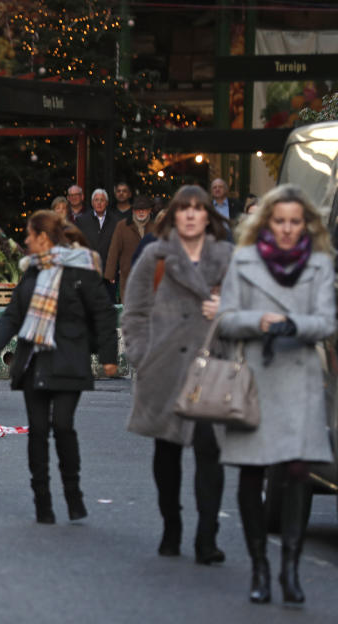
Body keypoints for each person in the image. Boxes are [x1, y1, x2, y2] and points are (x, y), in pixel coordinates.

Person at [217, 184, 335, 606]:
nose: (287, 229)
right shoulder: (244, 262)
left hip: (300, 381)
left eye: (295, 222)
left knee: (298, 473)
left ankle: (290, 567)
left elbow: (326, 322)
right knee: (253, 474)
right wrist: (260, 321)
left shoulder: (319, 265)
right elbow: (226, 321)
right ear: (267, 222)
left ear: (306, 225)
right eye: (280, 221)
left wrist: (292, 325)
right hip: (256, 382)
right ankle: (259, 568)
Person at [120, 184, 233, 564]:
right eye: (182, 208)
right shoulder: (156, 255)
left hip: (211, 367)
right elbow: (133, 313)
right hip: (164, 368)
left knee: (210, 451)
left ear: (207, 216)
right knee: (166, 452)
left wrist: (227, 311)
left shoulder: (228, 258)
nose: (189, 214)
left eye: (197, 208)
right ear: (173, 214)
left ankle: (207, 537)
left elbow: (250, 309)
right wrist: (142, 356)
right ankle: (172, 526)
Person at [0, 210, 118, 524]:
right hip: (34, 361)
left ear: (43, 237)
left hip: (69, 359)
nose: (26, 241)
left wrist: (109, 356)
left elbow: (103, 313)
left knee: (64, 426)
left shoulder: (80, 270)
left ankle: (73, 494)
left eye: (30, 235)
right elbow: (13, 315)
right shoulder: (31, 272)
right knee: (38, 431)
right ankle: (42, 500)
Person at [104, 196, 154, 301]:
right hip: (128, 275)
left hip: (150, 276)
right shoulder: (122, 226)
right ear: (133, 211)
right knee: (129, 307)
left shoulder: (156, 227)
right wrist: (110, 273)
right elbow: (114, 249)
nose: (141, 212)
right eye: (138, 209)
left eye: (144, 209)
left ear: (149, 210)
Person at [75, 188, 121, 300]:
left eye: (102, 200)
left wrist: (114, 271)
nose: (99, 203)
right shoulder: (82, 221)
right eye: (96, 200)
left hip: (109, 275)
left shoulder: (117, 221)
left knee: (108, 307)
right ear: (92, 202)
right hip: (88, 272)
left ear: (107, 202)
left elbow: (119, 248)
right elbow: (77, 246)